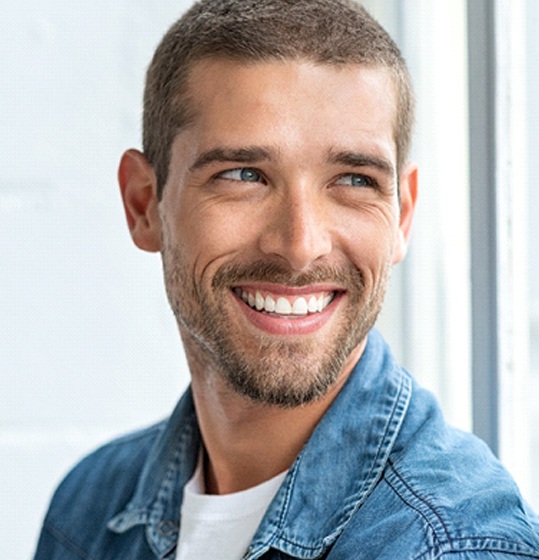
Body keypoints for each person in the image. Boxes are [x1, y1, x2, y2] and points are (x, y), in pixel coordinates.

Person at [34, 0, 539, 558]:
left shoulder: (451, 544)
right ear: (144, 203)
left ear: (401, 214)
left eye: (354, 179)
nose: (300, 246)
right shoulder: (87, 510)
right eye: (244, 175)